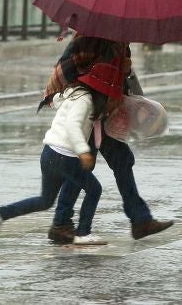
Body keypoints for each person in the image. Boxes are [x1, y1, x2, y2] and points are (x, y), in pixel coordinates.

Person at [40, 34, 174, 244]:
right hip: (91, 113)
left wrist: (126, 70)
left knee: (123, 162)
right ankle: (61, 223)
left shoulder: (120, 40)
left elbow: (121, 79)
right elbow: (75, 72)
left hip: (109, 113)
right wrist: (106, 82)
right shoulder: (89, 38)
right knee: (83, 167)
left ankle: (140, 220)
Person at [0, 60, 126, 245]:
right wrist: (83, 151)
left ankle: (0, 213)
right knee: (95, 190)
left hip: (49, 153)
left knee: (45, 200)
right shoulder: (84, 100)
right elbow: (72, 125)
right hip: (65, 156)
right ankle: (83, 233)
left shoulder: (72, 95)